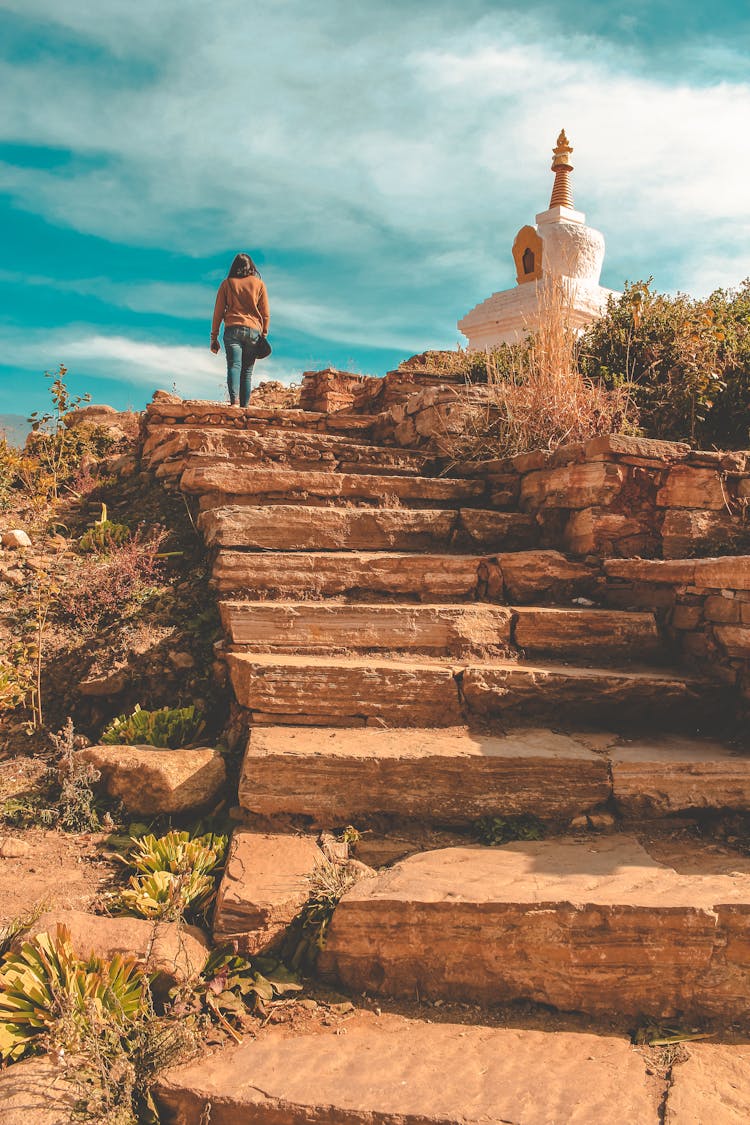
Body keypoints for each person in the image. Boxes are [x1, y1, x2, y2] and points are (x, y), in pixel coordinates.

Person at [210, 252, 270, 407]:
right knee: (247, 371)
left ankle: (234, 402)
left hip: (232, 329)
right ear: (251, 267)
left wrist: (214, 337)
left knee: (234, 366)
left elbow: (218, 312)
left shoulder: (227, 284)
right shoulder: (259, 284)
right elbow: (265, 313)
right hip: (253, 331)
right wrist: (263, 334)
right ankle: (245, 407)